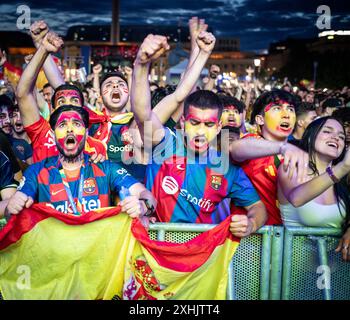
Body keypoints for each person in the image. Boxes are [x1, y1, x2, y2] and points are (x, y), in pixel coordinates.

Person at [6, 105, 156, 219]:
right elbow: (14, 209)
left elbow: (146, 194)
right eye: (62, 125)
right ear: (53, 135)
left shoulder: (106, 168)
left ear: (86, 132)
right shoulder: (37, 171)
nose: (70, 130)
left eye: (77, 124)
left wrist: (143, 205)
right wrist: (11, 206)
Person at [16, 30, 106, 164]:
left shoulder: (97, 147)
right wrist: (42, 48)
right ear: (52, 108)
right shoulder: (41, 131)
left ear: (83, 108)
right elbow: (22, 94)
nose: (67, 104)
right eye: (61, 101)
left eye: (74, 100)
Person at [278, 116, 350, 261]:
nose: (336, 138)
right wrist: (342, 167)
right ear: (310, 137)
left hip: (334, 273)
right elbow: (297, 199)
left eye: (341, 137)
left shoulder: (343, 179)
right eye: (327, 131)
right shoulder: (292, 167)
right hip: (292, 271)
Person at [230, 89, 306, 225]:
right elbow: (236, 149)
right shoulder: (252, 142)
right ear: (260, 119)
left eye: (290, 109)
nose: (286, 115)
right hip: (252, 239)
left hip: (288, 239)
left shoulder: (298, 152)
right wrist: (282, 147)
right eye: (277, 109)